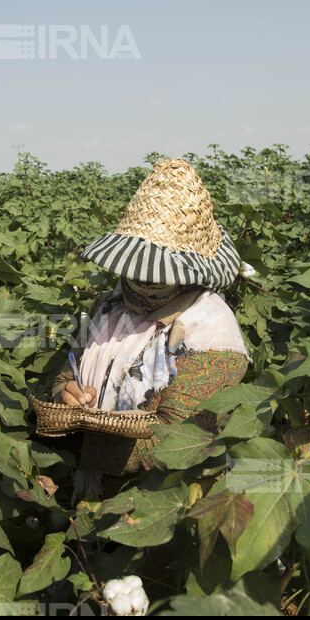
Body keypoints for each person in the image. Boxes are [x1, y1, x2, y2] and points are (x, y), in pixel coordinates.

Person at [47, 158, 251, 494]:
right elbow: (69, 371)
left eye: (154, 276)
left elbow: (180, 442)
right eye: (134, 271)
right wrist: (64, 395)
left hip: (149, 507)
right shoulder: (110, 304)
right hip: (84, 492)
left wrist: (76, 444)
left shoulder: (212, 335)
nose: (140, 283)